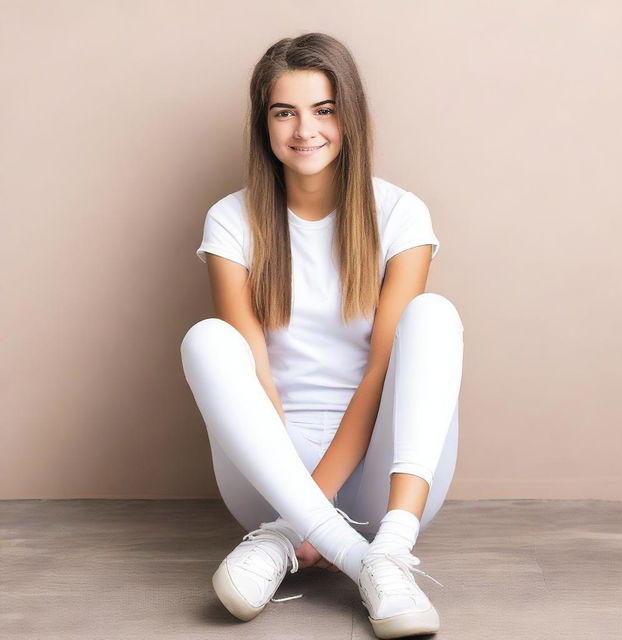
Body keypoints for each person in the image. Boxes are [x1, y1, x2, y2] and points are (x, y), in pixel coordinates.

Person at [180, 32, 464, 639]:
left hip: (386, 484)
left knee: (433, 316)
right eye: (285, 111)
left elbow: (380, 373)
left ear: (348, 117)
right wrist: (299, 504)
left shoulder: (399, 214)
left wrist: (309, 513)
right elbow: (252, 371)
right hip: (270, 475)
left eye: (323, 110)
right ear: (264, 124)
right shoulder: (231, 221)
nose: (304, 129)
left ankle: (383, 545)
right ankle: (369, 566)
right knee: (208, 338)